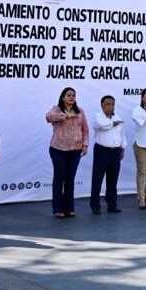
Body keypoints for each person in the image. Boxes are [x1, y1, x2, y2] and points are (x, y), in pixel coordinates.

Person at [46, 87, 90, 219]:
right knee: (59, 177)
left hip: (75, 150)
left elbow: (85, 130)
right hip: (58, 149)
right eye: (69, 95)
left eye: (73, 95)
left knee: (70, 178)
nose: (71, 97)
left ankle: (69, 208)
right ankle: (58, 209)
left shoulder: (80, 111)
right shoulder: (57, 109)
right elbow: (48, 118)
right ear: (63, 97)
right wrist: (63, 116)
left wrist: (85, 144)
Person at [90, 95, 126, 215]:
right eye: (107, 104)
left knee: (113, 179)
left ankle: (112, 204)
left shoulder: (118, 117)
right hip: (102, 150)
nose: (110, 106)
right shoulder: (98, 116)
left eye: (112, 104)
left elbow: (122, 134)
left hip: (115, 151)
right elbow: (103, 126)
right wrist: (114, 123)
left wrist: (122, 148)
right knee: (97, 178)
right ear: (102, 105)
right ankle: (95, 205)